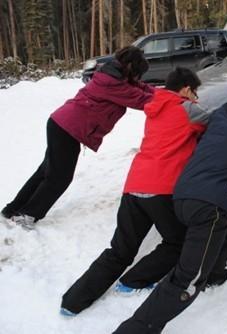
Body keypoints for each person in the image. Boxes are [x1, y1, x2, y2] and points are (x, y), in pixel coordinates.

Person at [112, 97, 227, 334]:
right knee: (187, 279)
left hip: (183, 195)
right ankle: (135, 329)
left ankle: (215, 271)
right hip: (211, 207)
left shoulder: (224, 111)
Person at [60, 67, 213, 316]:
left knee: (120, 249)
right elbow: (216, 124)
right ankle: (134, 281)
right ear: (186, 88)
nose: (196, 97)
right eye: (194, 92)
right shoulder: (188, 109)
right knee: (178, 241)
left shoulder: (154, 109)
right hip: (161, 188)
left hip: (134, 186)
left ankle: (72, 301)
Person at [1, 46, 154, 230]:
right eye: (138, 73)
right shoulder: (112, 83)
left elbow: (141, 88)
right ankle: (27, 215)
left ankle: (12, 210)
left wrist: (169, 93)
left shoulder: (115, 75)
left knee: (46, 171)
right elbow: (141, 99)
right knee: (59, 177)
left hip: (62, 124)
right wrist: (173, 102)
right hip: (67, 129)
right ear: (130, 66)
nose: (139, 78)